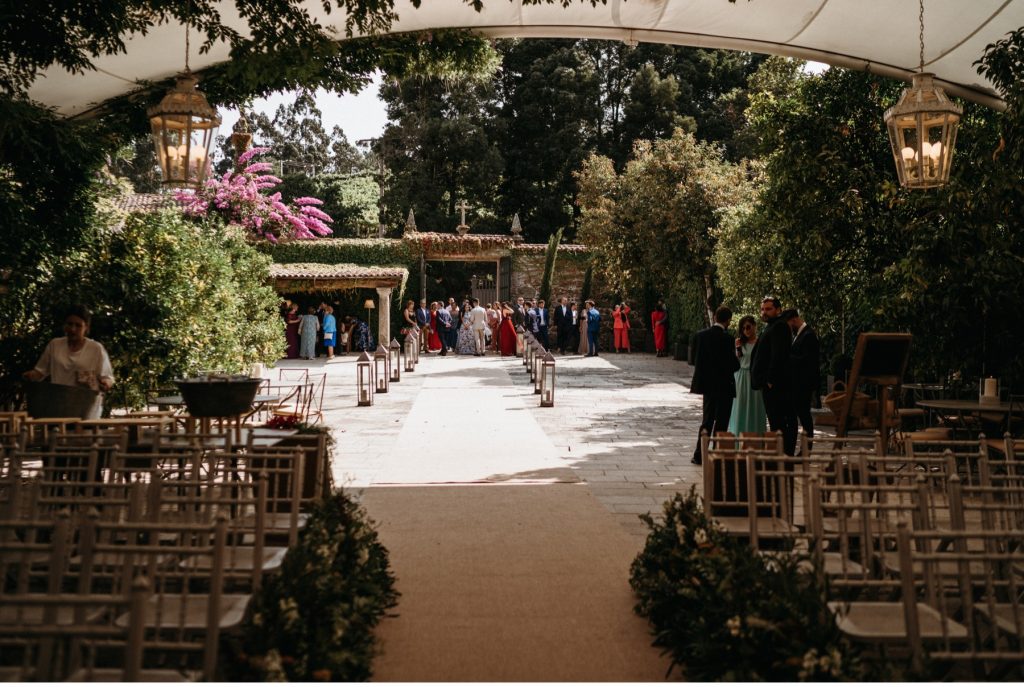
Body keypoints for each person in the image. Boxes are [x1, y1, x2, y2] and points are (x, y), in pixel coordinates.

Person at [23, 305, 114, 420]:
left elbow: (108, 377)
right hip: (58, 409)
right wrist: (31, 375)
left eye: (78, 325)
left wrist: (105, 383)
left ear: (86, 327)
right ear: (64, 325)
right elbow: (40, 372)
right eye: (69, 324)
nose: (72, 329)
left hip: (86, 410)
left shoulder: (96, 349)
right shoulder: (55, 345)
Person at [690, 306, 740, 465]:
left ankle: (699, 454)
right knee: (722, 421)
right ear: (728, 320)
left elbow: (692, 360)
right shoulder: (728, 339)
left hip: (708, 386)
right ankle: (717, 453)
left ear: (715, 317)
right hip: (724, 385)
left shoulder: (700, 336)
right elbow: (734, 365)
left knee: (707, 420)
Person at [750, 296, 796, 456]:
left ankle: (783, 454)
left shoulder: (779, 327)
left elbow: (778, 356)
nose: (764, 312)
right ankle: (781, 453)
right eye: (762, 309)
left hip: (775, 385)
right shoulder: (771, 326)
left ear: (778, 310)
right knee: (775, 420)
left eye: (768, 309)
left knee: (778, 421)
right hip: (770, 384)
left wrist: (770, 380)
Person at [786, 309, 820, 447]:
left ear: (794, 320)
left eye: (788, 324)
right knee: (802, 416)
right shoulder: (799, 334)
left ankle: (807, 449)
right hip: (798, 383)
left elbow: (807, 360)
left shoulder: (809, 335)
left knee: (805, 417)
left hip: (803, 383)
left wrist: (786, 357)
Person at [728, 315, 767, 435]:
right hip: (740, 377)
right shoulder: (738, 342)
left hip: (754, 377)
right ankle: (738, 437)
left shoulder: (760, 342)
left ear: (754, 326)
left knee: (756, 407)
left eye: (748, 327)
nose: (746, 330)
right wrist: (737, 349)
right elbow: (735, 360)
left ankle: (756, 438)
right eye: (743, 328)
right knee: (740, 406)